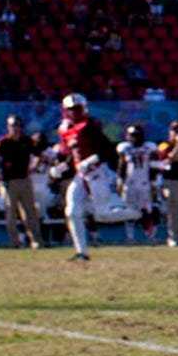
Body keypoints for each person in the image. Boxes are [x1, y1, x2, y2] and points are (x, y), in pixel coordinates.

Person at [56, 94, 121, 261]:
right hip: (81, 173)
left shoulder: (89, 125)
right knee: (72, 211)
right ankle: (82, 252)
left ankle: (141, 215)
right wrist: (61, 167)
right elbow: (72, 156)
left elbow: (107, 150)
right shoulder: (64, 129)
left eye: (76, 109)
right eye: (70, 110)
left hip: (97, 171)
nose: (73, 113)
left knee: (103, 214)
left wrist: (91, 160)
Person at [0, 114, 43, 248]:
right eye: (13, 126)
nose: (15, 129)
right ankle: (15, 241)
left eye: (18, 126)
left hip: (24, 179)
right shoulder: (3, 142)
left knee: (30, 211)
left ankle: (35, 239)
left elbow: (38, 154)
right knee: (11, 212)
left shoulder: (27, 141)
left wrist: (34, 167)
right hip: (8, 181)